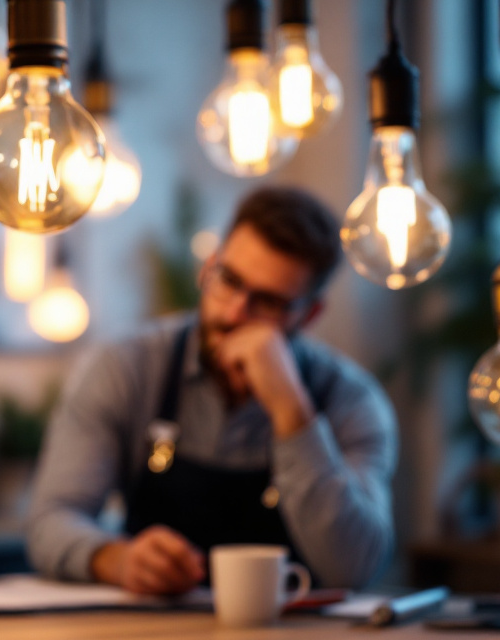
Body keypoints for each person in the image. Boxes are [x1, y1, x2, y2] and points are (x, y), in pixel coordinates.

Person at [25, 186, 397, 594]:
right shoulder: (128, 368)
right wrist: (117, 560)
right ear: (209, 268)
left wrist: (292, 410)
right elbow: (50, 521)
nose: (235, 312)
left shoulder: (350, 401)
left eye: (267, 302)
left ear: (309, 314)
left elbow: (356, 568)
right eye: (229, 280)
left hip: (292, 631)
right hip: (151, 626)